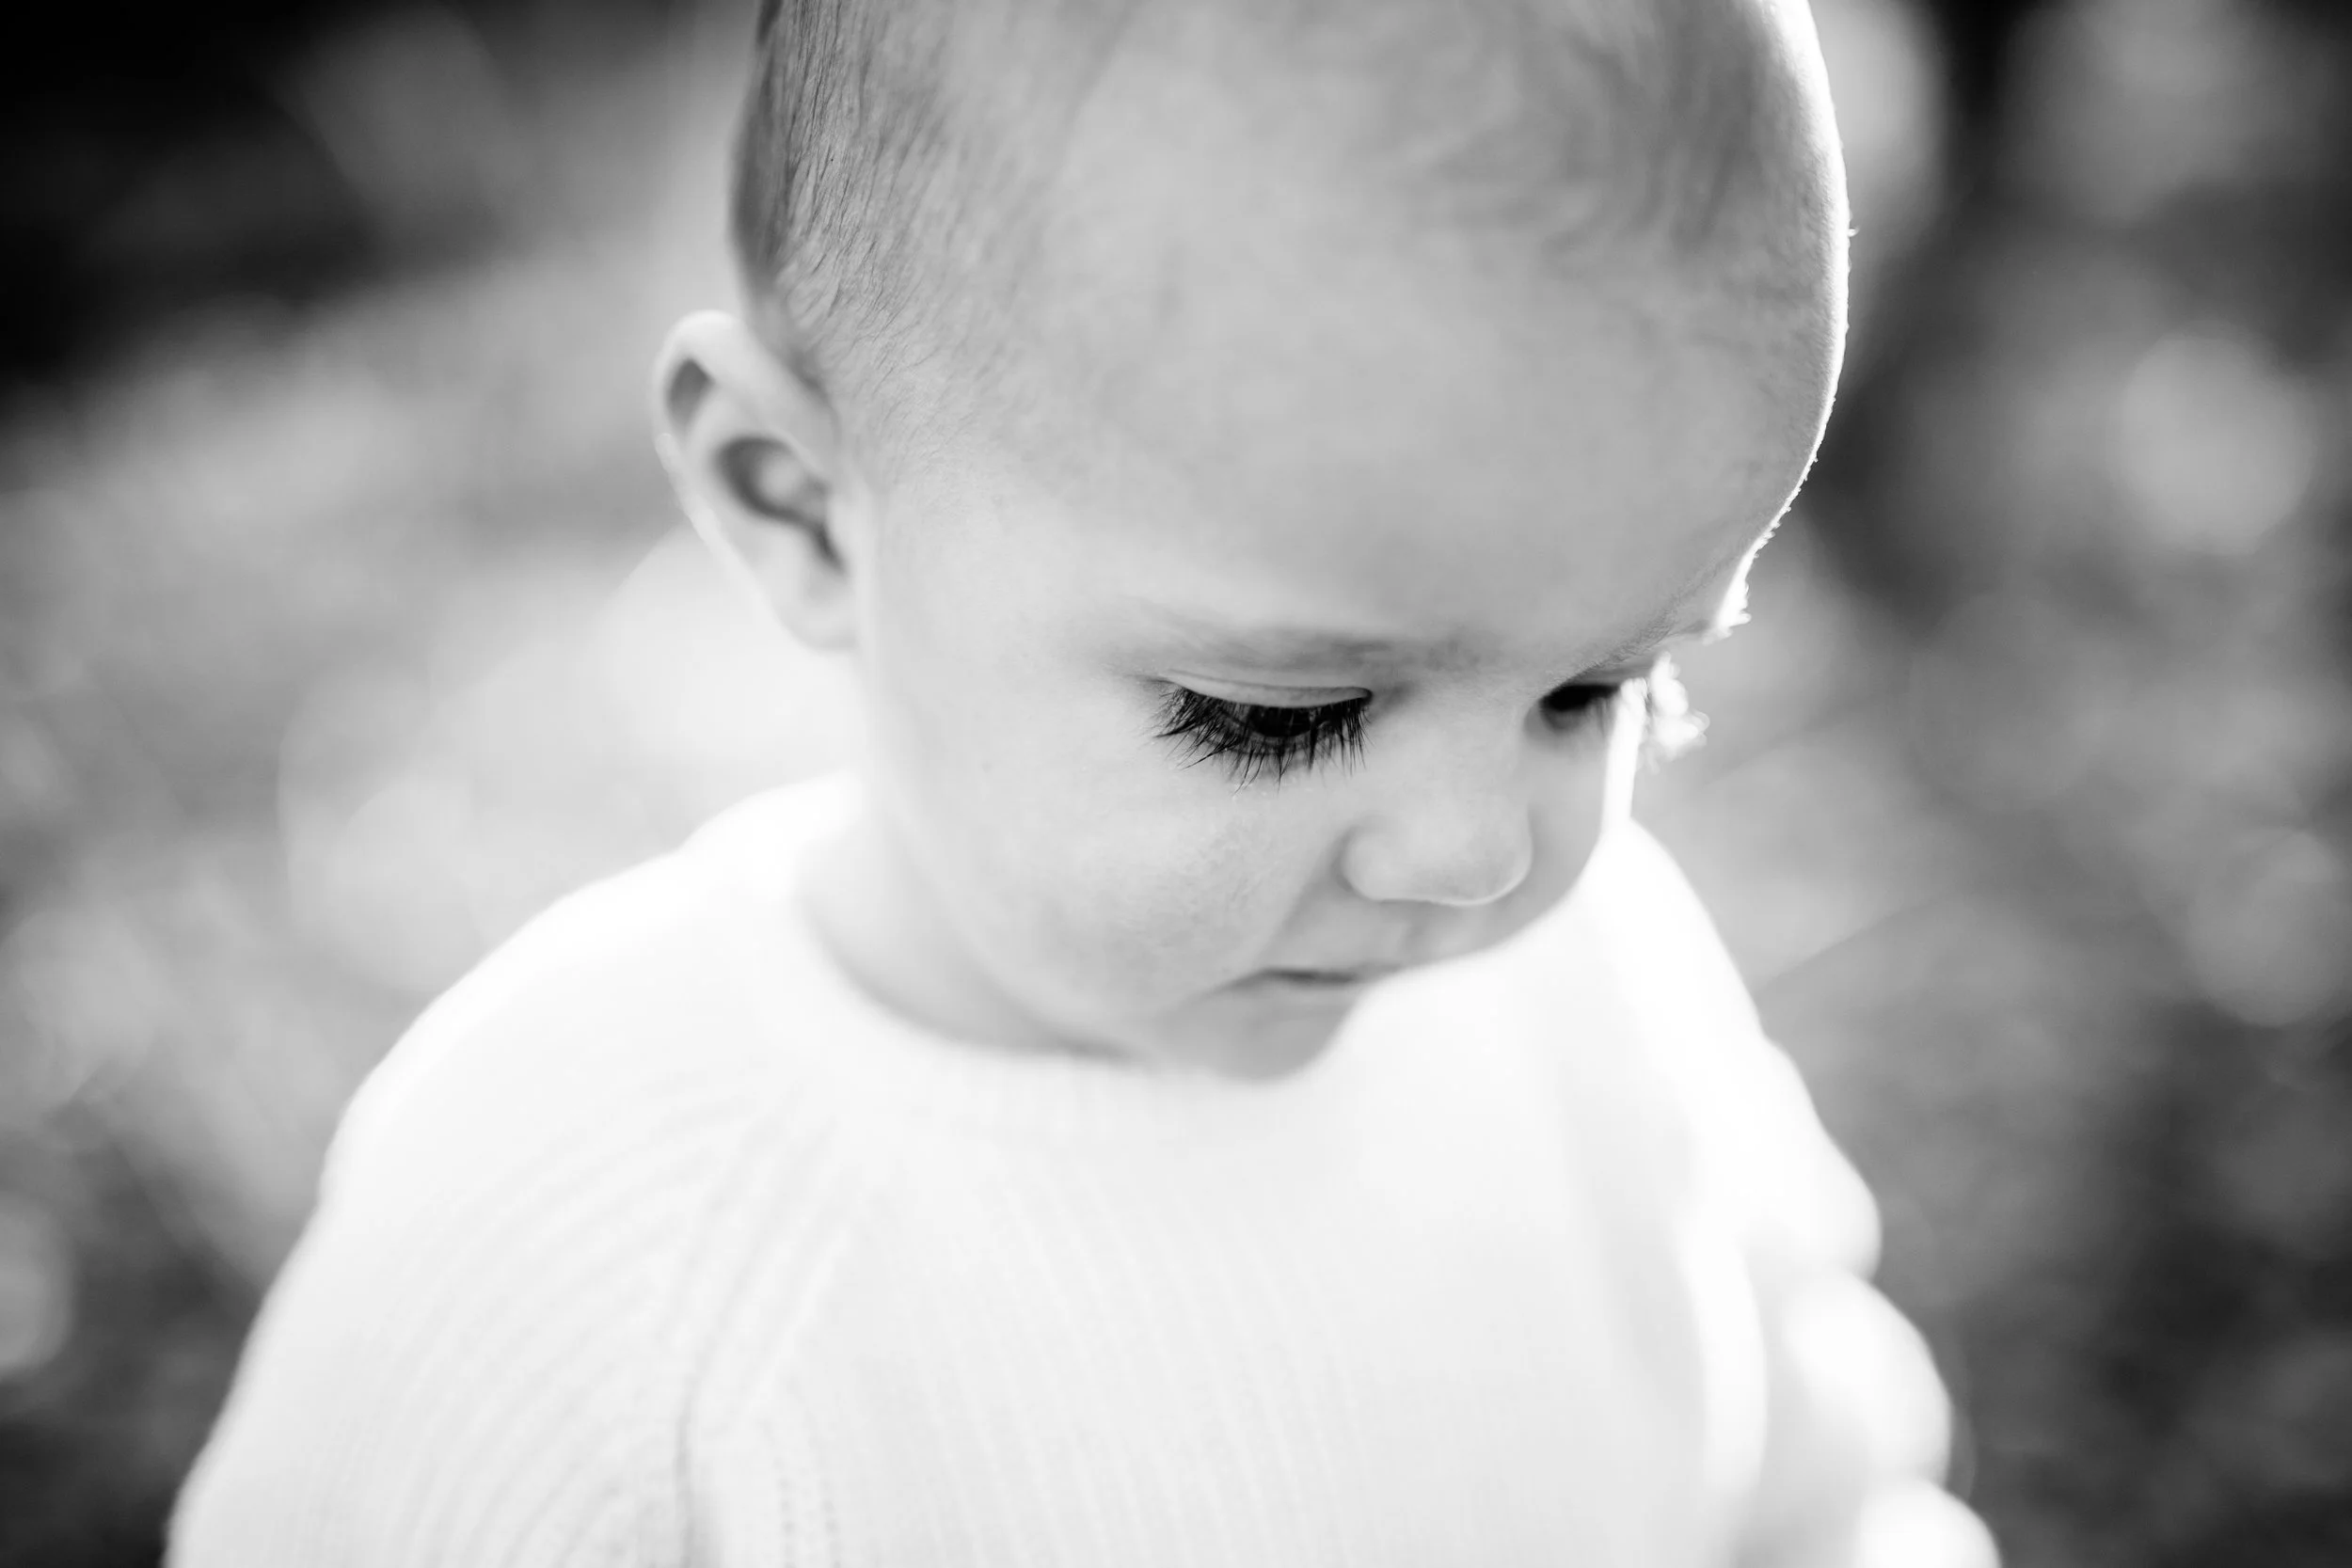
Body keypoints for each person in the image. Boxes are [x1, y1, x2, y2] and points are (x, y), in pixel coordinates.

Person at [170, 0, 1999, 1562]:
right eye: (1274, 716)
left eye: (1605, 682)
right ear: (797, 504)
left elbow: (1817, 1486)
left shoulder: (1595, 993)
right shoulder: (575, 1238)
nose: (1474, 852)